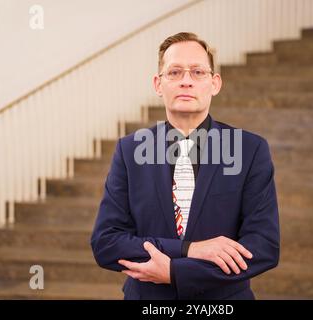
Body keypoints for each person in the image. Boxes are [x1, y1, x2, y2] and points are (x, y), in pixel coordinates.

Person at [91, 32, 280, 300]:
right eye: (175, 72)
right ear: (158, 84)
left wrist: (176, 271)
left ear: (215, 83)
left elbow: (263, 248)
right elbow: (106, 243)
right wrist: (189, 249)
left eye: (198, 72)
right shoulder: (130, 151)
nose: (186, 81)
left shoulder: (250, 150)